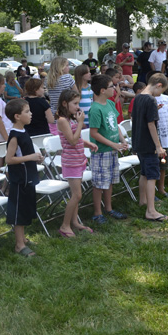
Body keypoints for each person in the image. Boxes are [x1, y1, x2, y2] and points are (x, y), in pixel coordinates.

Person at [4, 99, 44, 257]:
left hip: (28, 177)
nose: (31, 113)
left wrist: (35, 158)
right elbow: (9, 159)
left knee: (26, 208)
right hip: (19, 180)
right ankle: (19, 245)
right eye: (27, 111)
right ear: (17, 116)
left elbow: (25, 155)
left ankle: (23, 239)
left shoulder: (23, 131)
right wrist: (30, 157)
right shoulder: (14, 136)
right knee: (19, 212)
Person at [56, 89, 98, 237]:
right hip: (71, 162)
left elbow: (78, 139)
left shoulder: (72, 119)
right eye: (74, 104)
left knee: (76, 194)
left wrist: (88, 144)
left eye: (78, 103)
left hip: (79, 159)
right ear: (64, 103)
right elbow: (72, 141)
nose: (77, 107)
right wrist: (81, 122)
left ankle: (74, 222)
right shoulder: (62, 120)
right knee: (77, 195)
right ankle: (64, 225)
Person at [88, 74, 128, 225]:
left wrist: (122, 141)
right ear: (103, 90)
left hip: (112, 150)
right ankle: (97, 213)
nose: (115, 88)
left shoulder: (110, 104)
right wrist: (113, 145)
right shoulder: (95, 109)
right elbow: (94, 133)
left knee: (109, 180)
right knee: (99, 183)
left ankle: (109, 209)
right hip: (101, 152)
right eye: (112, 86)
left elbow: (116, 125)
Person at [131, 73, 168, 222]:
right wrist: (158, 146)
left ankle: (143, 201)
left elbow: (136, 118)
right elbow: (151, 124)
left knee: (144, 173)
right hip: (149, 145)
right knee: (152, 175)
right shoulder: (151, 99)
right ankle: (151, 211)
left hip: (139, 143)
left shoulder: (138, 97)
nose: (160, 94)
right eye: (162, 91)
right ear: (158, 85)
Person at [155, 76, 168, 199]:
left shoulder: (167, 99)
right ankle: (151, 191)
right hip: (154, 140)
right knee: (153, 166)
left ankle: (161, 189)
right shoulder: (149, 99)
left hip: (165, 139)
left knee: (163, 166)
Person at [47, 57, 76, 122]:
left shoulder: (48, 79)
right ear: (61, 67)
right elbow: (76, 92)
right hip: (66, 111)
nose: (69, 67)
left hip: (53, 113)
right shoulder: (68, 77)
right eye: (67, 65)